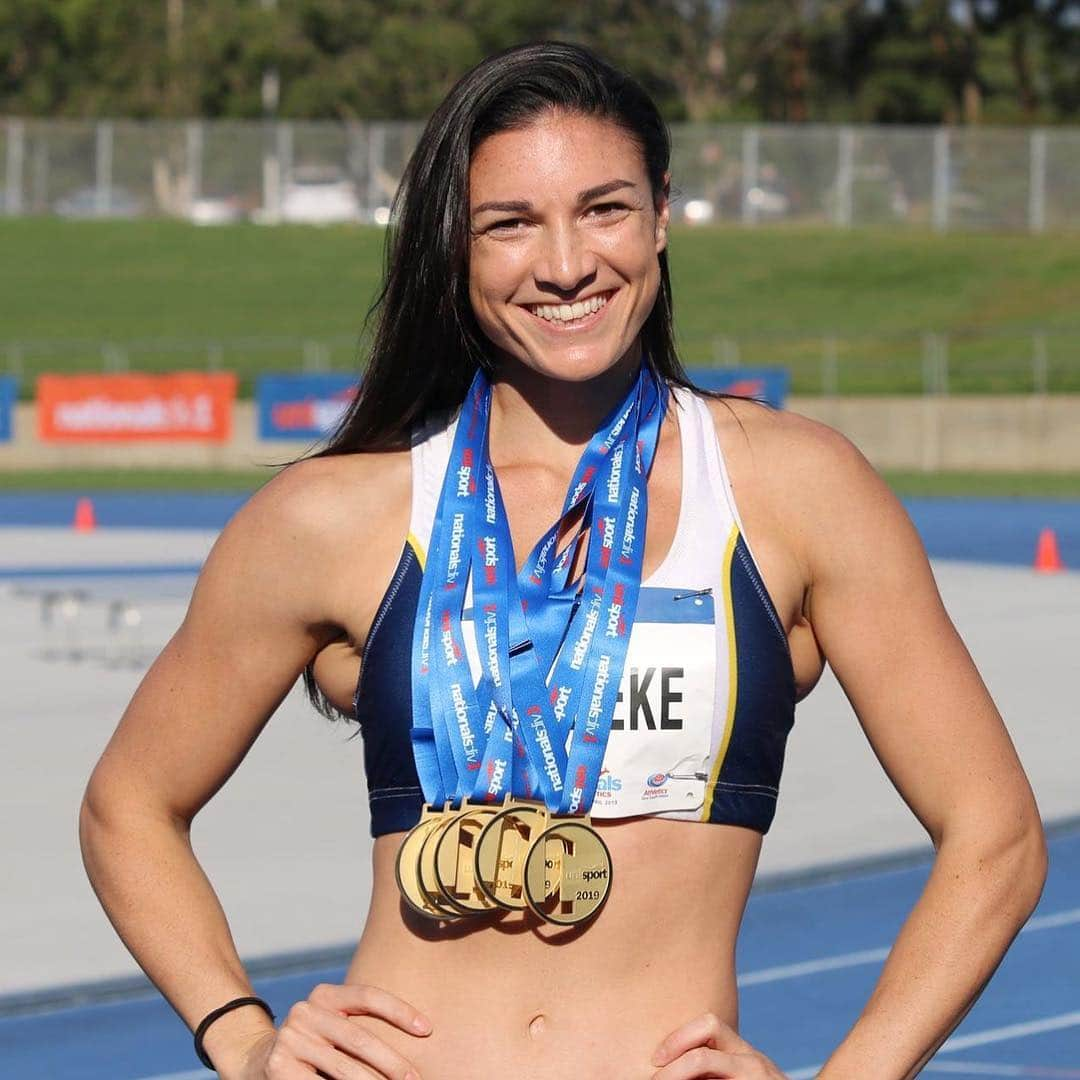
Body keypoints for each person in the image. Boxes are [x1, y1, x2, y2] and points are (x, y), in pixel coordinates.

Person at [79, 42, 1047, 1080]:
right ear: (455, 243)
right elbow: (125, 807)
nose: (567, 264)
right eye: (511, 223)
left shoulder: (795, 490)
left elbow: (996, 837)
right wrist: (244, 1035)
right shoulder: (330, 516)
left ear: (663, 214)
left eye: (605, 209)